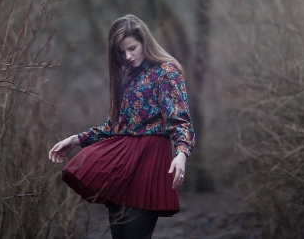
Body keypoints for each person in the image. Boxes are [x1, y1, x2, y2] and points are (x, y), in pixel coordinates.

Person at [48, 14, 195, 239]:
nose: (127, 56)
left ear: (145, 40)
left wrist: (181, 154)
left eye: (132, 48)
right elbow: (117, 125)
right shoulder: (128, 74)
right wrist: (76, 139)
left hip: (150, 163)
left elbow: (180, 120)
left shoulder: (167, 70)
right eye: (121, 52)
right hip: (123, 164)